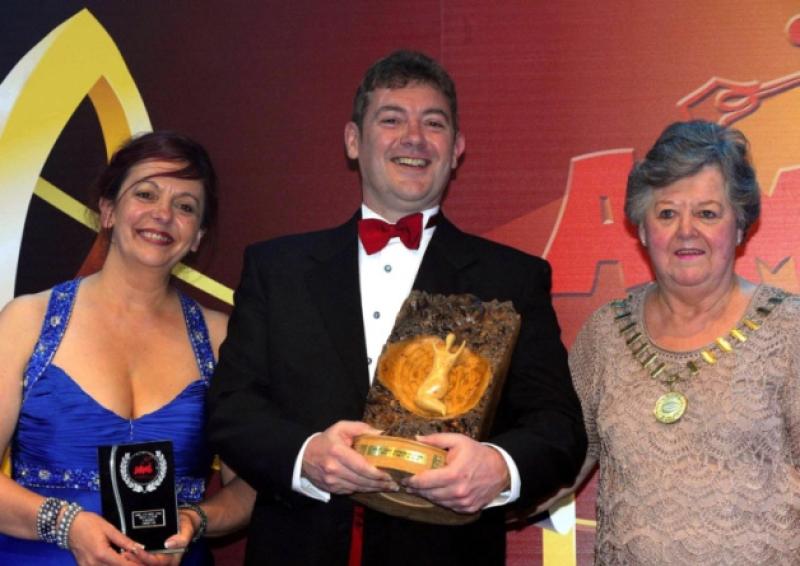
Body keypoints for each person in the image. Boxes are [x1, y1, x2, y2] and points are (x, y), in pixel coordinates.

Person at [207, 50, 586, 565]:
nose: (414, 137)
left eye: (434, 123)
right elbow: (231, 407)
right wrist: (306, 457)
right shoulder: (278, 269)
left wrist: (498, 467)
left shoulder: (513, 279)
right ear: (352, 140)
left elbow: (558, 427)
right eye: (391, 119)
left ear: (456, 149)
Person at [545, 119, 800, 563]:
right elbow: (556, 466)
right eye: (666, 213)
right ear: (642, 230)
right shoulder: (606, 334)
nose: (686, 231)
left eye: (707, 213)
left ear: (740, 227)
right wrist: (474, 477)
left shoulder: (790, 331)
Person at [0, 131, 255, 565]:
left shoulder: (221, 339)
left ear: (197, 235)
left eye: (185, 206)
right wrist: (66, 524)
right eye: (146, 193)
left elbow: (247, 489)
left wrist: (195, 519)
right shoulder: (27, 320)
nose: (163, 214)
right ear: (108, 210)